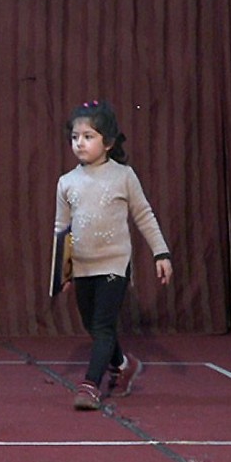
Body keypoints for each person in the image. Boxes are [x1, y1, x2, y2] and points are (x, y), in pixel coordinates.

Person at [54, 100, 173, 411]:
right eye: (75, 137)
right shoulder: (66, 182)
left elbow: (144, 215)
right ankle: (122, 364)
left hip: (113, 265)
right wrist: (62, 271)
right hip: (81, 267)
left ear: (107, 142)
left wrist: (161, 252)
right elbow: (61, 228)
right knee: (92, 326)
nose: (80, 143)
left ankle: (90, 385)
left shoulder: (123, 176)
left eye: (88, 136)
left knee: (104, 326)